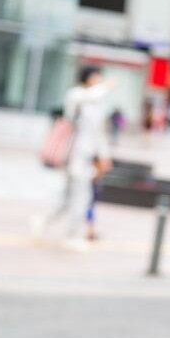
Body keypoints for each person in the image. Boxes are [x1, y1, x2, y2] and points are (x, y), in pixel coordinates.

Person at [41, 66, 114, 250]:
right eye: (96, 77)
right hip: (73, 155)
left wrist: (104, 156)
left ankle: (42, 222)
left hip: (85, 156)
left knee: (68, 196)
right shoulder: (77, 95)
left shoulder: (96, 104)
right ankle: (71, 235)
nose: (99, 80)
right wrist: (105, 87)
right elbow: (89, 98)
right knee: (82, 195)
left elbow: (99, 133)